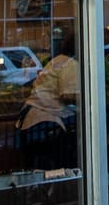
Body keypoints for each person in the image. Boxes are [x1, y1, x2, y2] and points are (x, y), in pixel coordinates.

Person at [17, 33, 79, 168]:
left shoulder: (58, 60)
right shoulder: (71, 64)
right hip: (45, 122)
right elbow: (67, 96)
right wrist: (90, 98)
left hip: (30, 119)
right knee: (56, 165)